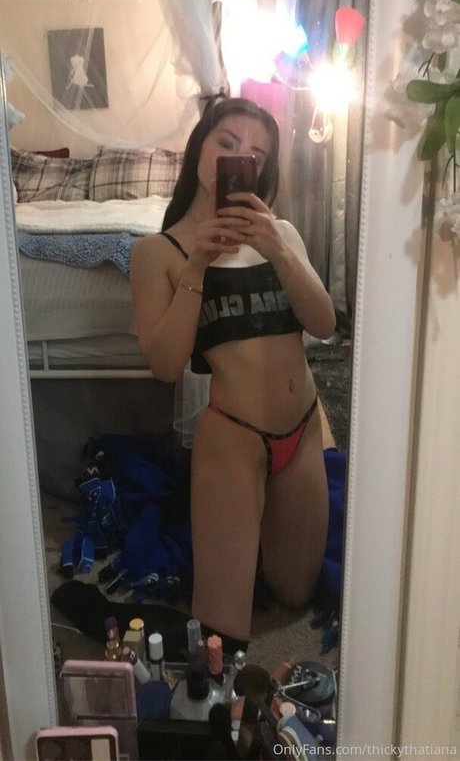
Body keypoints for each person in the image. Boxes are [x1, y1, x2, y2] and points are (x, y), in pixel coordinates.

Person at [130, 97, 336, 645]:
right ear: (200, 147)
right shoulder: (158, 252)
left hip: (303, 430)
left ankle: (263, 529)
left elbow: (324, 323)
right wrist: (198, 264)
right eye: (227, 143)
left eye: (256, 155)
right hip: (234, 439)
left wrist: (279, 250)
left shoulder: (282, 233)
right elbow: (165, 365)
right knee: (222, 629)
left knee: (295, 593)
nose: (241, 157)